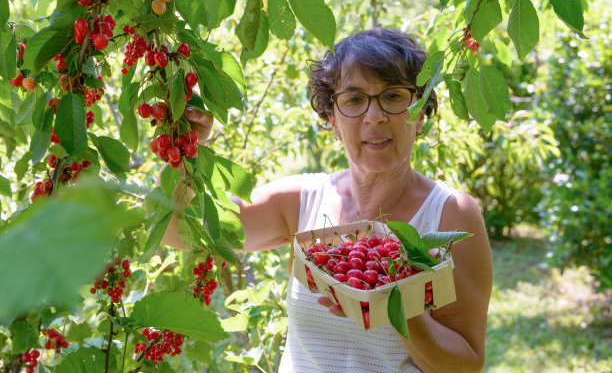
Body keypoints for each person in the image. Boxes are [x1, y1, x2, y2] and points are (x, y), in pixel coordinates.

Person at [163, 28, 493, 373]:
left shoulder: (450, 215)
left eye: (393, 96)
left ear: (420, 113)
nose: (374, 116)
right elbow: (179, 231)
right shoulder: (299, 202)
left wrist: (398, 301)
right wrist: (185, 152)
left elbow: (466, 365)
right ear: (332, 121)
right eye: (353, 99)